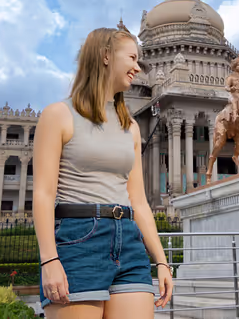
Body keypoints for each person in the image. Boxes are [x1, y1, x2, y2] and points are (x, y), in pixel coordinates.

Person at [33, 27, 173, 319]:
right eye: (133, 57)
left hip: (129, 241)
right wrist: (49, 260)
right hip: (78, 239)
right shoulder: (58, 115)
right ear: (106, 56)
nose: (138, 67)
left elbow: (139, 201)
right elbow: (44, 194)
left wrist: (161, 261)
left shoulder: (130, 127)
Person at [224, 54, 239, 124]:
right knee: (234, 100)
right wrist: (231, 89)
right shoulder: (231, 77)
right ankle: (235, 116)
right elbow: (226, 87)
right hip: (234, 95)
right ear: (234, 66)